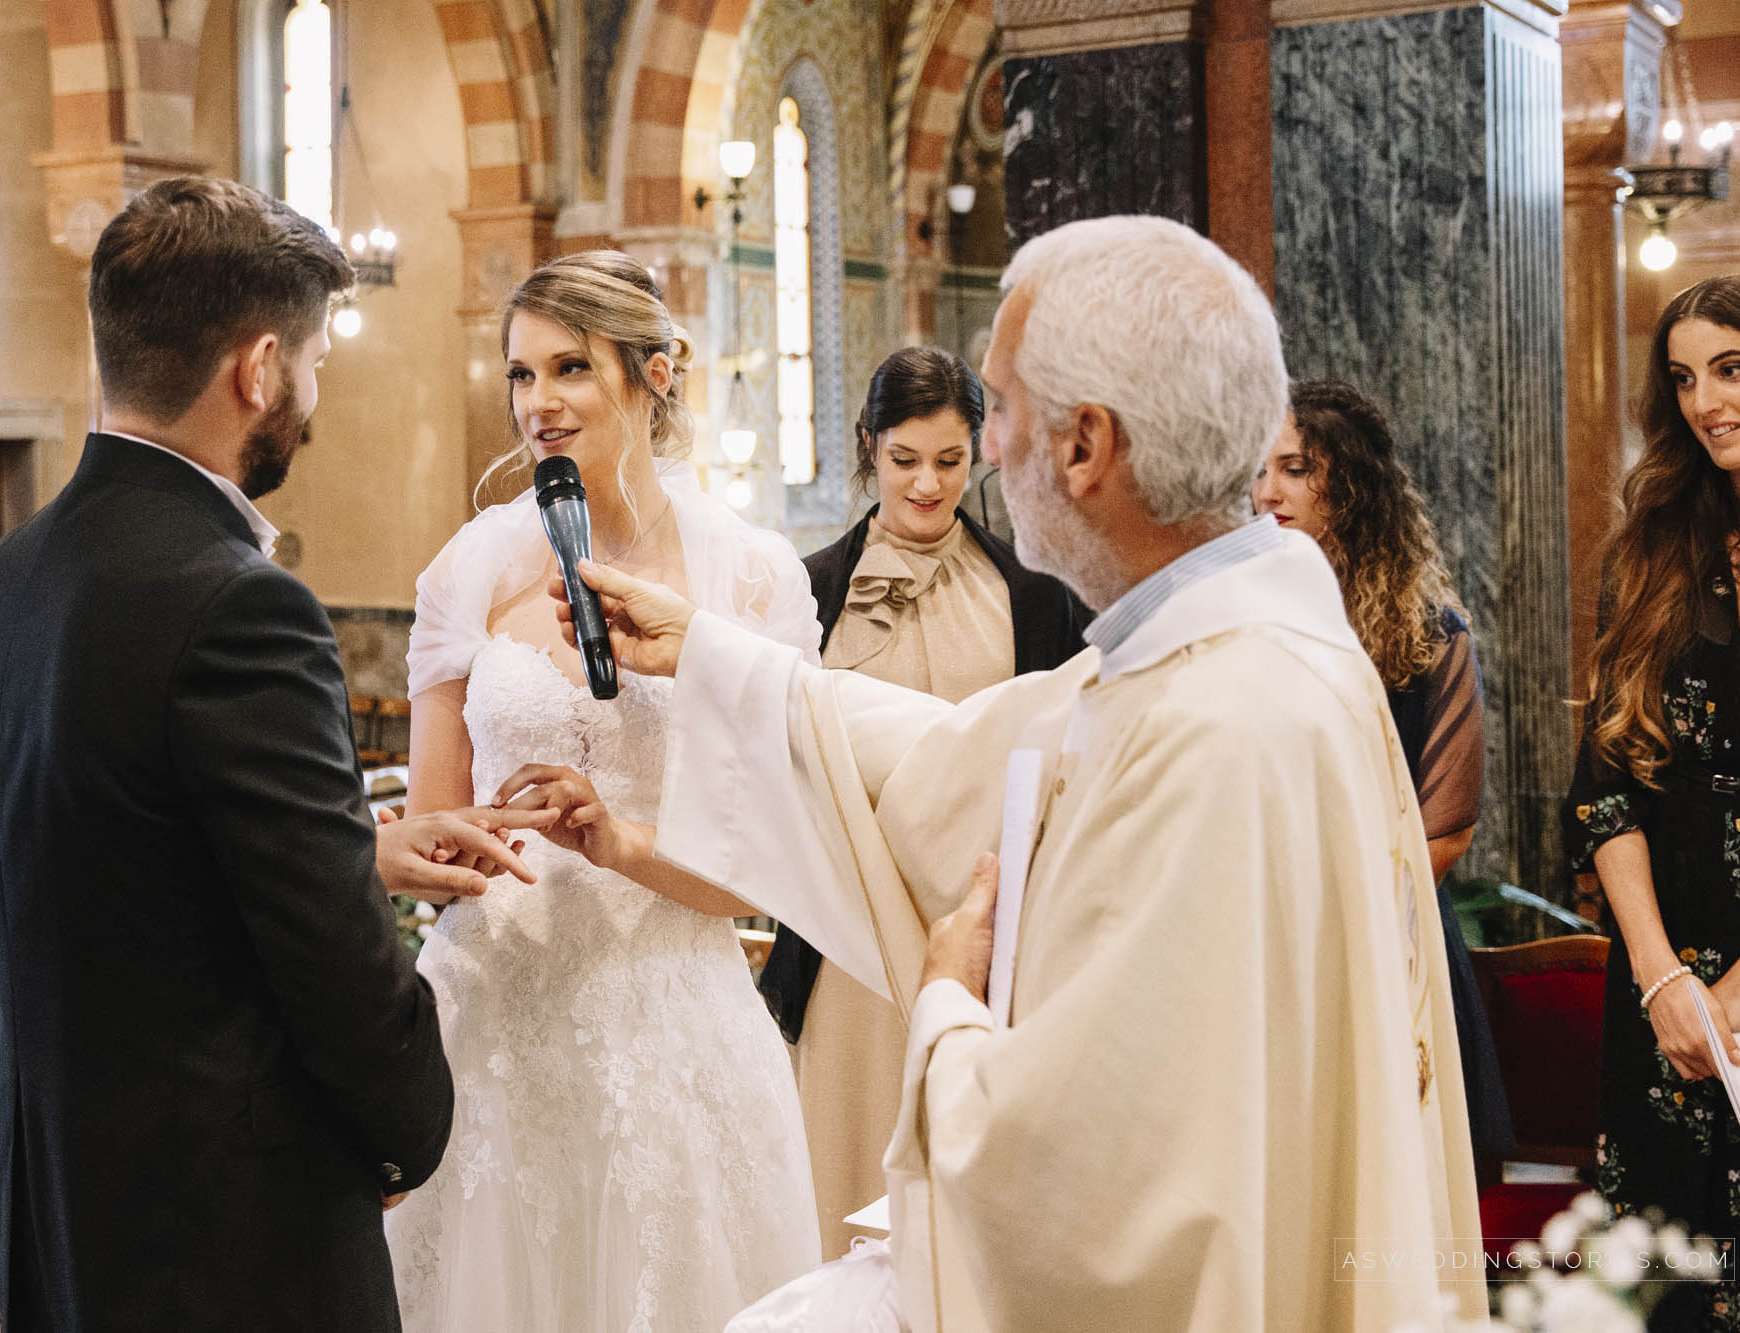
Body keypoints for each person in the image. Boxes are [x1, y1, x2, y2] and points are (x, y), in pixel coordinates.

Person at [559, 216, 1484, 1332]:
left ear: (1085, 445)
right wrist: (709, 653)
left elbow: (1082, 1185)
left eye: (997, 410)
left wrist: (947, 1004)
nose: (986, 451)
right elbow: (960, 753)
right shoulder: (1221, 647)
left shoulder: (1216, 725)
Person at [0, 176, 543, 1333]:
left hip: (61, 1209)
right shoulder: (239, 606)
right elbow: (336, 970)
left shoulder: (1, 582)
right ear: (258, 369)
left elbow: (116, 862)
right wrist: (410, 1127)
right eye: (313, 363)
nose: (311, 397)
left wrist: (355, 848)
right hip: (224, 1237)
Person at [383, 250, 821, 1332]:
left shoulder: (752, 579)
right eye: (521, 374)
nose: (537, 402)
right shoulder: (469, 571)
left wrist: (618, 839)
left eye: (569, 367)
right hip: (493, 1022)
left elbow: (770, 872)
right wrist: (466, 841)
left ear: (654, 374)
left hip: (675, 1022)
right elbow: (432, 837)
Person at [759, 345, 1086, 1260]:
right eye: (905, 459)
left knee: (970, 1207)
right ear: (869, 445)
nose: (929, 484)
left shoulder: (1037, 599)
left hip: (982, 942)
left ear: (981, 451)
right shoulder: (807, 591)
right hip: (844, 944)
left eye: (950, 459)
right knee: (842, 1177)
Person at [1565, 272, 1740, 1330]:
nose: (1705, 401)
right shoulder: (1649, 547)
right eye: (1684, 378)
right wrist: (1661, 981)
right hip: (1658, 990)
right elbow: (1605, 788)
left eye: (1731, 368)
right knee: (1663, 1285)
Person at [1253, 379, 1514, 1161]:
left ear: (1354, 484)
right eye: (1259, 470)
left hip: (1391, 941)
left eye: (1296, 468)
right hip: (1265, 940)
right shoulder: (1240, 619)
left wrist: (1337, 914)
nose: (1269, 491)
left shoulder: (1429, 635)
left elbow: (1446, 831)